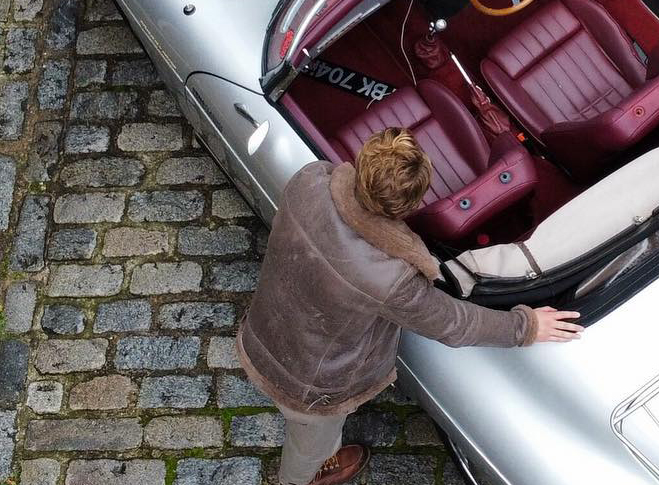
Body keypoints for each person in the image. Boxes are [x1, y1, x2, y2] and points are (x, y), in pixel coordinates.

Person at [237, 127, 584, 485]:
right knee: (309, 444)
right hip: (310, 387)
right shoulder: (390, 276)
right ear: (412, 205)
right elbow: (454, 323)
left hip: (265, 330)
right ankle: (302, 479)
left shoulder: (309, 180)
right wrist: (526, 327)